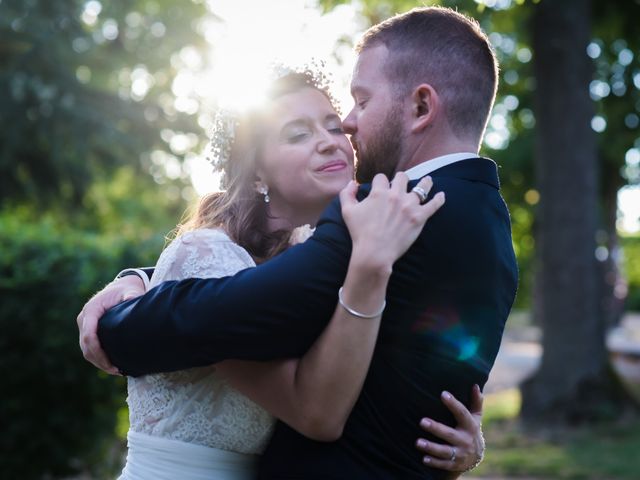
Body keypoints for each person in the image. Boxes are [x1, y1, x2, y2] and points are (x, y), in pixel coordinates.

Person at [79, 6, 516, 479]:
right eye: (298, 133)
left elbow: (259, 314)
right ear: (259, 170)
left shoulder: (386, 216)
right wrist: (141, 279)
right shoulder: (485, 225)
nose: (343, 130)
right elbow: (249, 290)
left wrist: (116, 327)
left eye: (356, 106)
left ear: (421, 107)